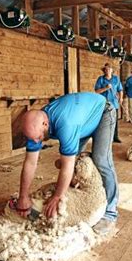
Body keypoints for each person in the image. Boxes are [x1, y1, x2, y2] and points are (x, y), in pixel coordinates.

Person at [15, 92, 119, 235]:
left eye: (38, 138)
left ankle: (110, 214)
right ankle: (75, 200)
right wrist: (23, 196)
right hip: (81, 120)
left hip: (102, 112)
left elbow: (67, 166)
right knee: (71, 162)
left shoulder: (66, 124)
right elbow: (30, 162)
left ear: (45, 124)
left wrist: (57, 197)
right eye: (33, 139)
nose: (36, 142)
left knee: (101, 160)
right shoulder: (35, 129)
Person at [95, 63, 123, 143]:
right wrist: (105, 88)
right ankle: (103, 137)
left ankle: (115, 136)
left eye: (109, 69)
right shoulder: (100, 79)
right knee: (103, 119)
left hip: (114, 102)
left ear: (112, 70)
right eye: (106, 69)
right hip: (104, 103)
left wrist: (121, 98)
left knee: (115, 120)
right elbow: (97, 91)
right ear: (104, 71)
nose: (107, 70)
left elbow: (120, 89)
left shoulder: (116, 79)